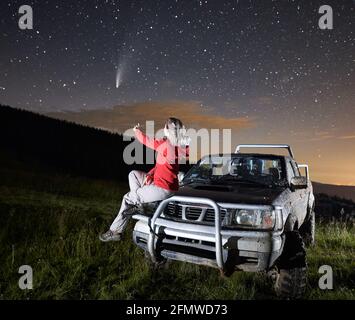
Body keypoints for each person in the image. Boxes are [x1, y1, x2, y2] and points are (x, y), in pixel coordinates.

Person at [99, 117, 189, 242]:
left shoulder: (166, 145)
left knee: (127, 198)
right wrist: (150, 175)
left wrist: (137, 131)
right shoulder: (175, 146)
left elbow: (146, 141)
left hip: (163, 188)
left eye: (165, 127)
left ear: (168, 130)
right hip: (161, 182)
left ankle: (115, 231)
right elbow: (161, 166)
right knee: (134, 175)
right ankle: (140, 204)